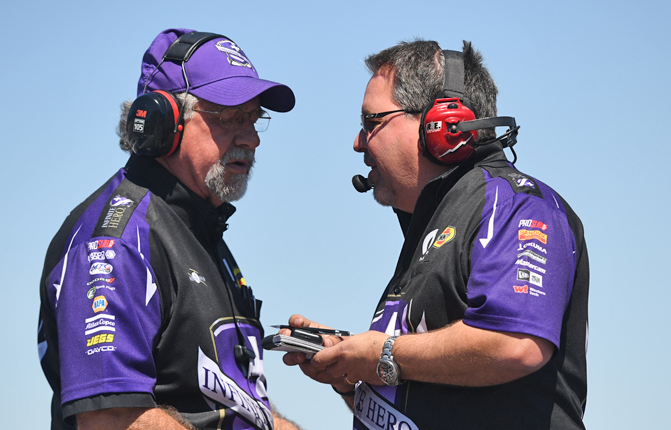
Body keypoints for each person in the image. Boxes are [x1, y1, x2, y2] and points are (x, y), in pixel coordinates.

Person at [283, 39, 589, 429]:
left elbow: (517, 344)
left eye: (371, 122)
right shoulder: (437, 223)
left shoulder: (515, 205)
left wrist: (381, 353)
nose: (358, 142)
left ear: (443, 125)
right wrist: (350, 371)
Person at [37, 28, 302, 430]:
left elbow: (238, 405)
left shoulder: (198, 230)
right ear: (163, 123)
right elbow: (111, 418)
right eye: (230, 117)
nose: (251, 139)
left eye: (253, 118)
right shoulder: (118, 242)